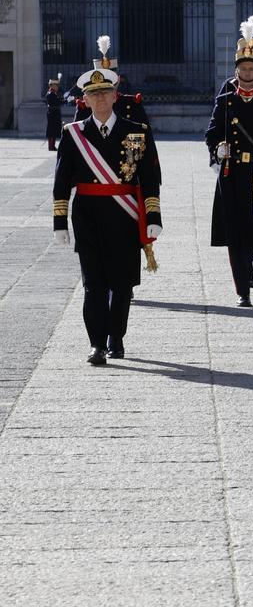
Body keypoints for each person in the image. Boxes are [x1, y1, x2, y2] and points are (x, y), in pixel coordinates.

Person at [53, 52, 162, 365]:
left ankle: (116, 336)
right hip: (87, 214)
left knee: (122, 281)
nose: (100, 99)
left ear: (116, 96)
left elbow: (150, 177)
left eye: (105, 93)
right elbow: (61, 182)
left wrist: (153, 216)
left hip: (125, 214)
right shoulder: (72, 134)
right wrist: (60, 223)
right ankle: (97, 343)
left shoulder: (137, 131)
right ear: (84, 100)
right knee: (94, 284)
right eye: (93, 94)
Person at [205, 17, 253, 306]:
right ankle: (242, 289)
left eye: (252, 68)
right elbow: (210, 133)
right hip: (233, 172)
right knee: (236, 232)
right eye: (243, 68)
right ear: (236, 71)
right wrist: (217, 149)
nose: (247, 73)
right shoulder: (226, 100)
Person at [73, 37, 152, 129]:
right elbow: (76, 137)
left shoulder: (132, 103)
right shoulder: (85, 106)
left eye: (110, 78)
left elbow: (144, 136)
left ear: (118, 79)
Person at [45, 75, 63, 151]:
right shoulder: (50, 94)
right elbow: (56, 102)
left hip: (55, 113)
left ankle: (53, 145)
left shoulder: (54, 93)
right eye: (56, 85)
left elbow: (58, 101)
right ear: (52, 86)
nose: (57, 87)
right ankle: (51, 146)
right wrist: (64, 100)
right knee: (52, 130)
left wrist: (65, 99)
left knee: (55, 130)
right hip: (52, 113)